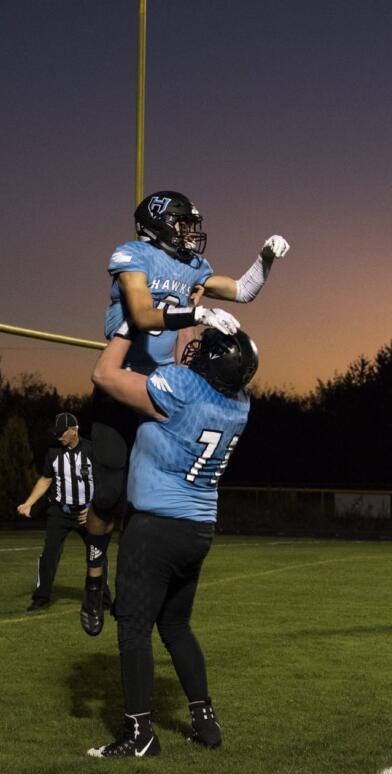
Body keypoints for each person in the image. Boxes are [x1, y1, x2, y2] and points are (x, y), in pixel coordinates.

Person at [82, 190, 288, 637]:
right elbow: (139, 313)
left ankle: (135, 588)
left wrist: (265, 258)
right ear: (156, 225)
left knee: (146, 499)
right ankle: (94, 579)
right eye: (182, 223)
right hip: (123, 384)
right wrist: (195, 312)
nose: (190, 233)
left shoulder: (195, 267)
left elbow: (244, 290)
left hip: (163, 390)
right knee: (107, 496)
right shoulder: (132, 256)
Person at [85, 323, 257, 758]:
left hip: (157, 528)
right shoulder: (240, 403)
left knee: (134, 628)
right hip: (198, 530)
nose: (192, 344)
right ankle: (205, 721)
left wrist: (129, 326)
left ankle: (139, 734)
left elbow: (104, 375)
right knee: (176, 625)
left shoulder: (180, 387)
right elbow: (191, 360)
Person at [16, 413, 109, 614]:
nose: (58, 437)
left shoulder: (93, 450)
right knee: (49, 554)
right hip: (60, 511)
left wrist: (94, 508)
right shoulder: (53, 453)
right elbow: (46, 480)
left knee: (97, 553)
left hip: (87, 512)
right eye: (56, 433)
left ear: (74, 430)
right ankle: (41, 598)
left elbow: (105, 482)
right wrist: (29, 503)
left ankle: (103, 598)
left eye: (61, 433)